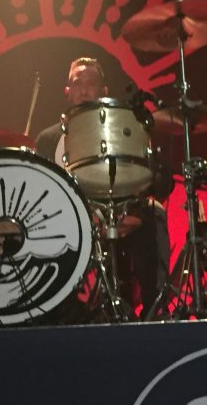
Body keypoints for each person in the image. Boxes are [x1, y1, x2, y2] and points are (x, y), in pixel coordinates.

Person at [34, 57, 170, 320]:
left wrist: (132, 210)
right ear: (67, 91)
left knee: (155, 213)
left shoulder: (122, 127)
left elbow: (149, 180)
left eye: (91, 83)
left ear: (104, 90)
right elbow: (43, 194)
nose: (84, 89)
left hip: (119, 211)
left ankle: (155, 312)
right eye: (77, 83)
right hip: (71, 221)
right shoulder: (48, 139)